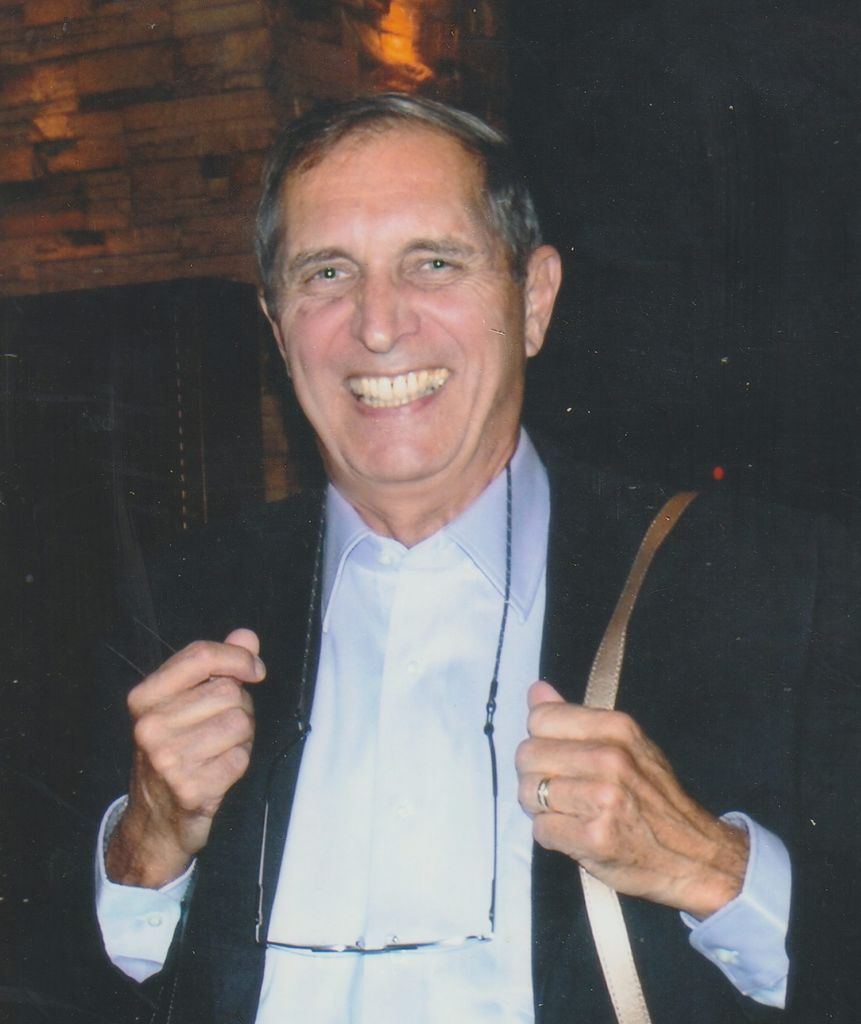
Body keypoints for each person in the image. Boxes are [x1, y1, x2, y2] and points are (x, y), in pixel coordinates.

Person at [94, 94, 860, 1023]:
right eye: (327, 272)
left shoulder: (772, 585)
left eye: (434, 263)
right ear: (277, 326)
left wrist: (707, 866)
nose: (378, 326)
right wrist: (145, 847)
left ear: (532, 299)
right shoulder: (176, 598)